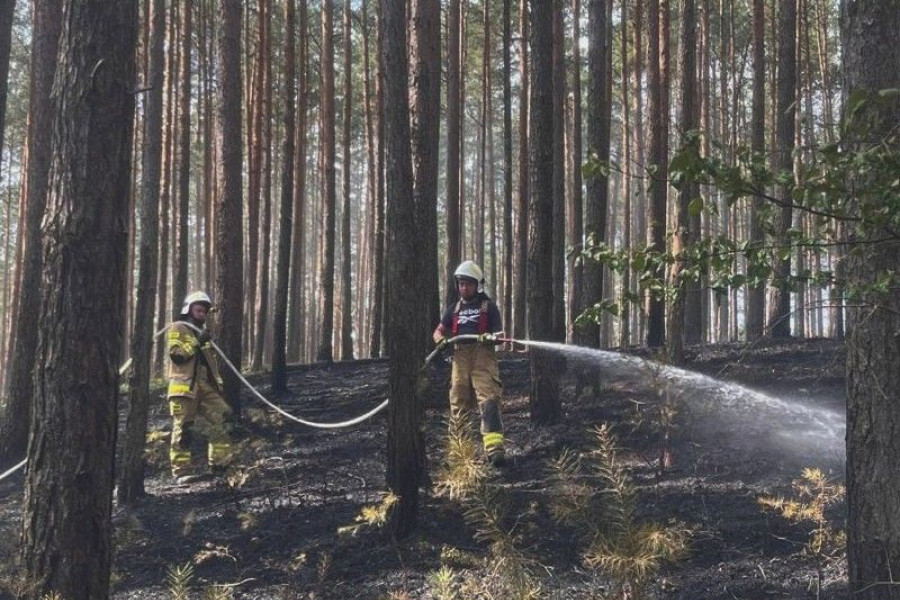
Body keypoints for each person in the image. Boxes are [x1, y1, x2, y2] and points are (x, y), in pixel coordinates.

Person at [432, 260, 506, 466]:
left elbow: (501, 334)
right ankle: (459, 450)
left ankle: (494, 449)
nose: (464, 288)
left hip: (483, 356)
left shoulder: (488, 307)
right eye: (461, 284)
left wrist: (491, 337)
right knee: (458, 401)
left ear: (477, 285)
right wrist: (441, 341)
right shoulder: (453, 309)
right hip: (460, 356)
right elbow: (438, 331)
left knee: (489, 399)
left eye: (468, 284)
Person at [166, 291, 233, 483]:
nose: (202, 314)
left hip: (205, 386)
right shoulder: (179, 327)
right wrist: (197, 342)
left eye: (205, 311)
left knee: (223, 417)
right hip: (184, 387)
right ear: (188, 309)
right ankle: (181, 472)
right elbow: (177, 355)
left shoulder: (202, 334)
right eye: (198, 310)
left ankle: (220, 465)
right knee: (183, 428)